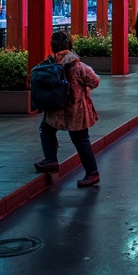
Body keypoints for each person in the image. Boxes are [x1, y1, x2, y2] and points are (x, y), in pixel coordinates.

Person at [33, 31, 100, 187]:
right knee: (81, 140)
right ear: (69, 45)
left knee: (46, 129)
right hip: (76, 110)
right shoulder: (78, 66)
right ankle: (92, 173)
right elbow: (95, 81)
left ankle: (51, 160)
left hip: (55, 109)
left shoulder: (49, 64)